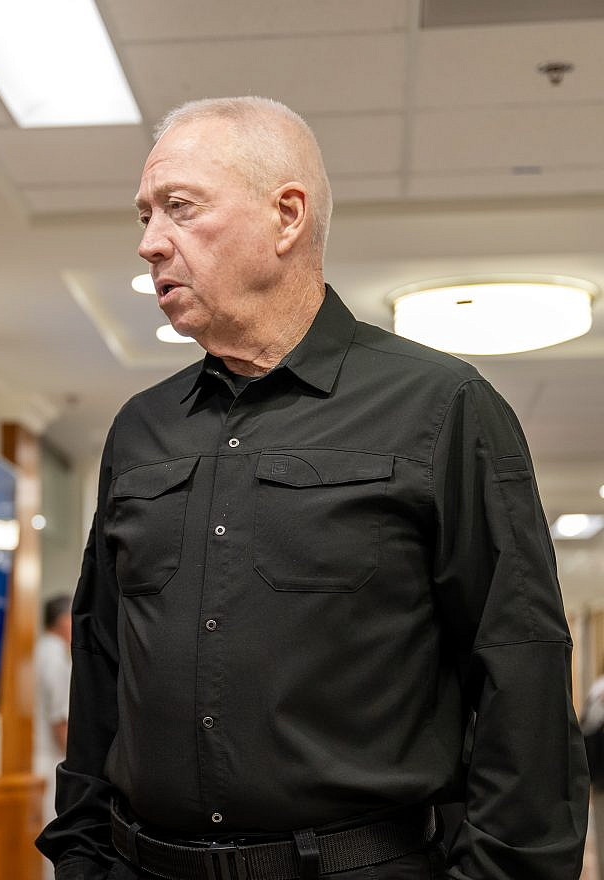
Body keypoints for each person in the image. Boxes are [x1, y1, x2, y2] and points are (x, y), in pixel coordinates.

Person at [36, 96, 588, 880]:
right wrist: (84, 859)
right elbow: (100, 666)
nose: (149, 243)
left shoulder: (441, 409)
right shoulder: (140, 430)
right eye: (145, 215)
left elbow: (519, 674)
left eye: (179, 209)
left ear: (286, 216)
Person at [35, 595, 74, 879]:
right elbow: (61, 721)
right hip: (52, 762)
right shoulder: (55, 658)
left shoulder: (39, 650)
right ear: (63, 620)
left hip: (39, 760)